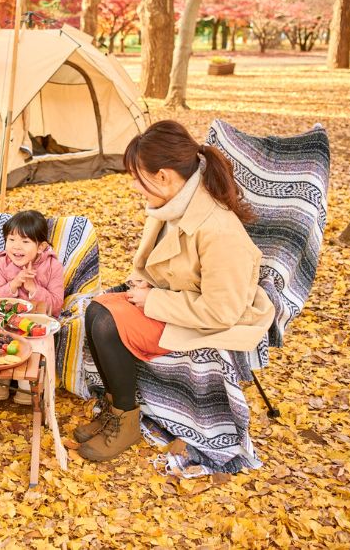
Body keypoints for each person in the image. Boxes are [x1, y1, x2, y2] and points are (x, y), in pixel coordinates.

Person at [75, 120, 275, 462]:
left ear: (164, 175)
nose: (136, 187)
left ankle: (127, 421)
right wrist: (149, 284)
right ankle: (115, 410)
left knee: (108, 323)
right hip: (179, 300)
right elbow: (172, 267)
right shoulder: (172, 205)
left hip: (213, 319)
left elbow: (221, 311)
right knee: (96, 309)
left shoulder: (218, 229)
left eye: (139, 178)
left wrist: (154, 299)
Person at [0, 210, 64, 404]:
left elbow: (55, 305)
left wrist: (33, 288)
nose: (16, 247)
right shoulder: (3, 262)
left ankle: (24, 381)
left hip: (34, 323)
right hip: (5, 321)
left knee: (29, 341)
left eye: (25, 241)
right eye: (11, 239)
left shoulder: (53, 267)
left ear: (41, 246)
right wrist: (14, 284)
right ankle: (1, 377)